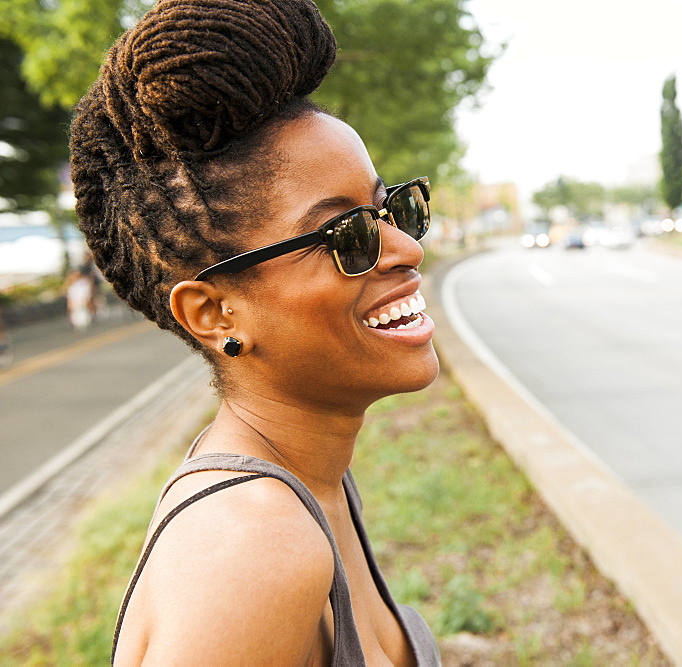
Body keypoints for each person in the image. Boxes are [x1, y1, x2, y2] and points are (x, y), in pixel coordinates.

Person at [69, 0, 440, 664]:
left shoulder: (313, 481)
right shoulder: (254, 549)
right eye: (346, 236)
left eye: (393, 209)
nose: (405, 249)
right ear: (215, 314)